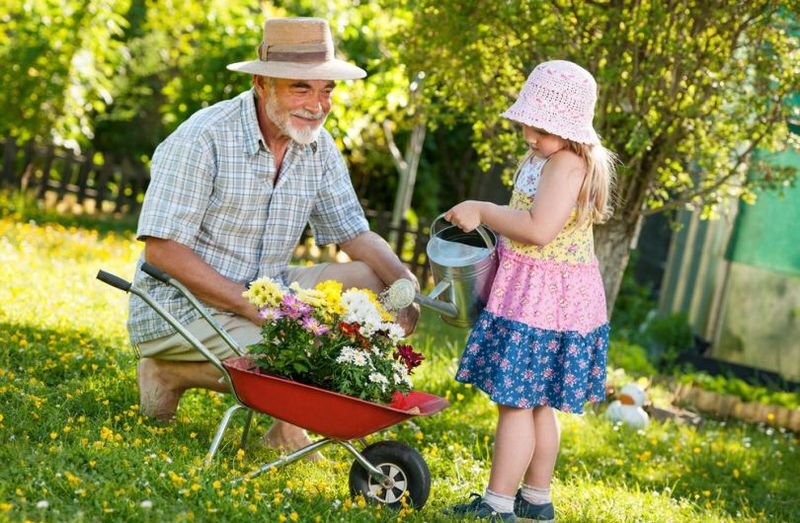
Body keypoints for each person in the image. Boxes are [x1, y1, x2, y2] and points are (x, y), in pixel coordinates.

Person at [126, 17, 420, 453]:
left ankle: (282, 427)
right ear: (262, 84)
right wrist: (259, 311)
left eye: (327, 91)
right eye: (301, 88)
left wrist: (404, 285)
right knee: (307, 350)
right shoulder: (203, 137)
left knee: (373, 283)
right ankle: (168, 372)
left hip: (269, 293)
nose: (317, 105)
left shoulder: (318, 146)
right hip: (179, 305)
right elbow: (163, 251)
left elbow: (354, 233)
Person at [443, 60, 616, 521]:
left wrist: (482, 208)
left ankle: (497, 505)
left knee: (516, 402)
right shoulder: (547, 157)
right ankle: (536, 500)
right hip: (541, 296)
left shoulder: (567, 163)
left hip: (545, 302)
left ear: (571, 127)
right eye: (529, 125)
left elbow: (538, 229)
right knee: (536, 401)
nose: (530, 136)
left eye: (542, 128)